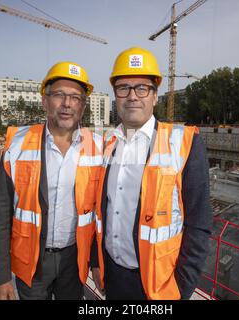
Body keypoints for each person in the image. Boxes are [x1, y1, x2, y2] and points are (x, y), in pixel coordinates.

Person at [90, 47, 213, 300]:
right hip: (113, 274)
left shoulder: (185, 143)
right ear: (116, 95)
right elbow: (98, 211)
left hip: (159, 285)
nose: (132, 96)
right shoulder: (106, 144)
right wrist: (96, 261)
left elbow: (198, 224)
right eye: (123, 88)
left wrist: (181, 288)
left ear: (155, 96)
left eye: (142, 88)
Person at [0, 61, 103, 300]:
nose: (67, 103)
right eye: (59, 95)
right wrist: (0, 277)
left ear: (83, 106)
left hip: (74, 260)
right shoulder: (18, 145)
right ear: (44, 100)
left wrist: (97, 261)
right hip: (31, 262)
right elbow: (0, 215)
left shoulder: (99, 148)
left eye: (75, 97)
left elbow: (100, 215)